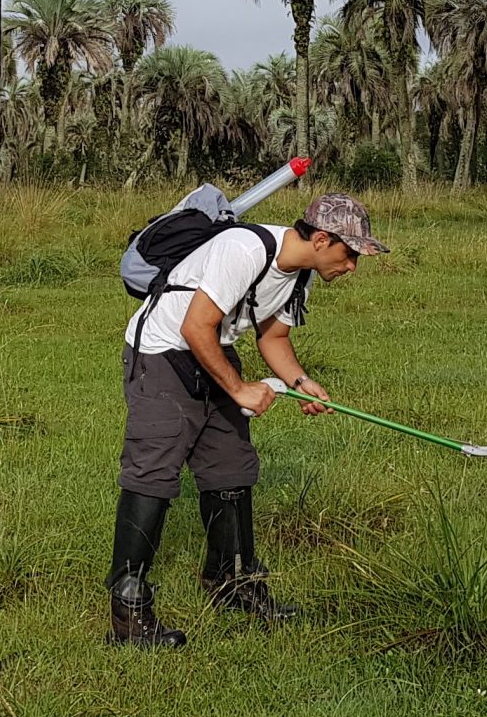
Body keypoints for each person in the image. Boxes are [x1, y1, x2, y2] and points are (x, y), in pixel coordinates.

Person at [106, 191, 387, 647]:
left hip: (210, 350)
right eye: (350, 253)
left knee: (232, 466)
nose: (353, 265)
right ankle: (129, 612)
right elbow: (193, 326)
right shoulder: (244, 249)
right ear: (320, 239)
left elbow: (273, 338)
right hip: (160, 352)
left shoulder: (300, 276)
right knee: (153, 471)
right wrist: (238, 389)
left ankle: (232, 584)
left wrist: (299, 383)